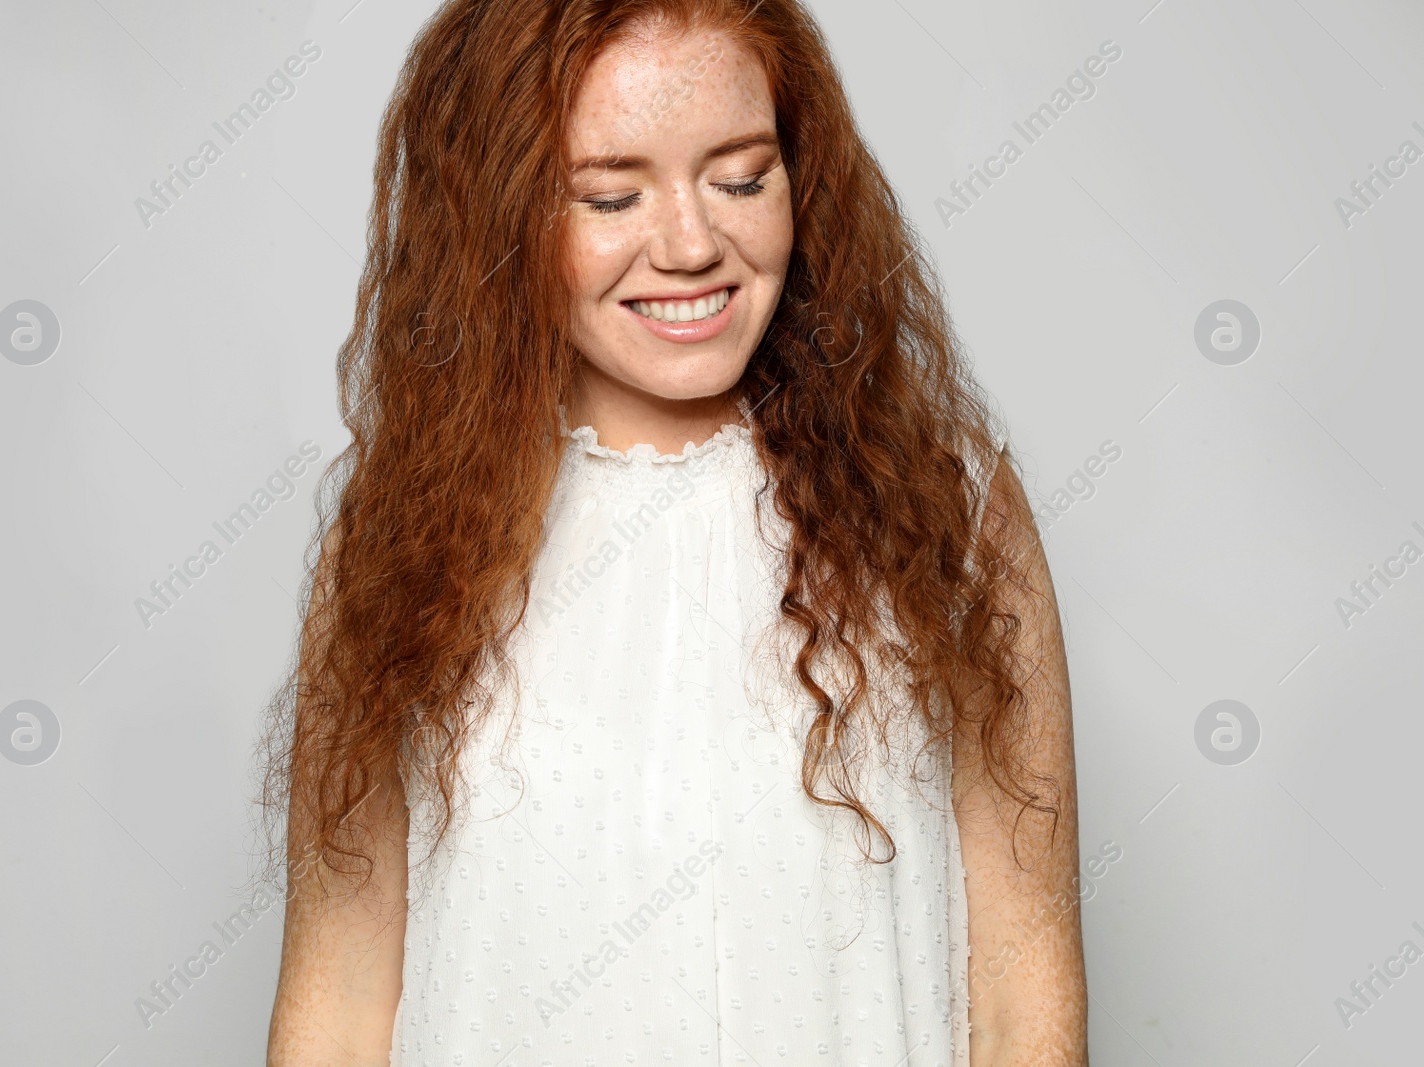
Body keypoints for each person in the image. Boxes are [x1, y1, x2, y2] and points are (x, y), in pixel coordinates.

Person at [262, 1, 1087, 1063]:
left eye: (742, 177)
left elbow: (1028, 994)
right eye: (610, 195)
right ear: (500, 214)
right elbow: (333, 1004)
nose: (694, 244)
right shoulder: (401, 537)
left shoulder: (945, 507)